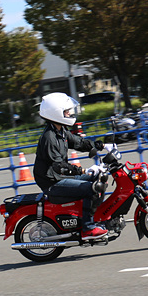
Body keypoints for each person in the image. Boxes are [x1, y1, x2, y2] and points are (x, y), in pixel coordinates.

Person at [33, 92, 107, 240]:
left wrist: (101, 145)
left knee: (99, 179)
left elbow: (79, 142)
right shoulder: (49, 137)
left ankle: (94, 218)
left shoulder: (61, 131)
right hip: (53, 182)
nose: (69, 113)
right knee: (92, 188)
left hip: (60, 177)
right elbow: (58, 166)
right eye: (66, 111)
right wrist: (83, 170)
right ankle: (88, 228)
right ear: (56, 112)